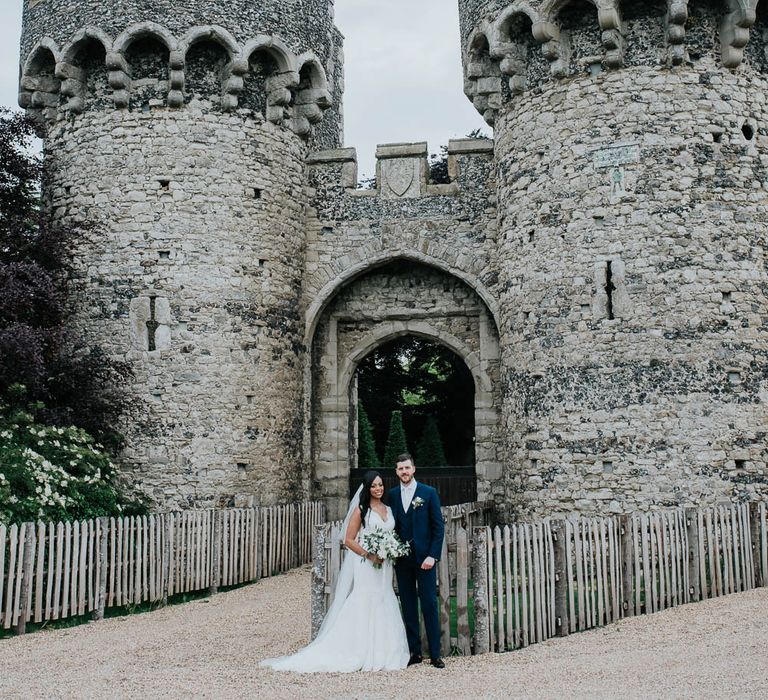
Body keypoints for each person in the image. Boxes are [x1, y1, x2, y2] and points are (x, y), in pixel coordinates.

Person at [260, 470, 410, 673]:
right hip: (366, 564)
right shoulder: (361, 510)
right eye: (373, 486)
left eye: (380, 485)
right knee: (365, 598)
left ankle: (385, 650)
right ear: (367, 488)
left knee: (385, 597)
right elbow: (348, 540)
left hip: (385, 564)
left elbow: (390, 534)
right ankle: (357, 648)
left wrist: (390, 548)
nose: (378, 489)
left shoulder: (388, 509)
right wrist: (369, 555)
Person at [389, 453, 446, 668]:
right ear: (396, 472)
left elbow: (438, 527)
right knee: (409, 605)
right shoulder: (393, 495)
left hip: (425, 559)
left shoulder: (428, 493)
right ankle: (414, 652)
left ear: (414, 469)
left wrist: (432, 555)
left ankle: (435, 653)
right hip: (402, 560)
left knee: (430, 604)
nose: (404, 472)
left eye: (407, 468)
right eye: (400, 469)